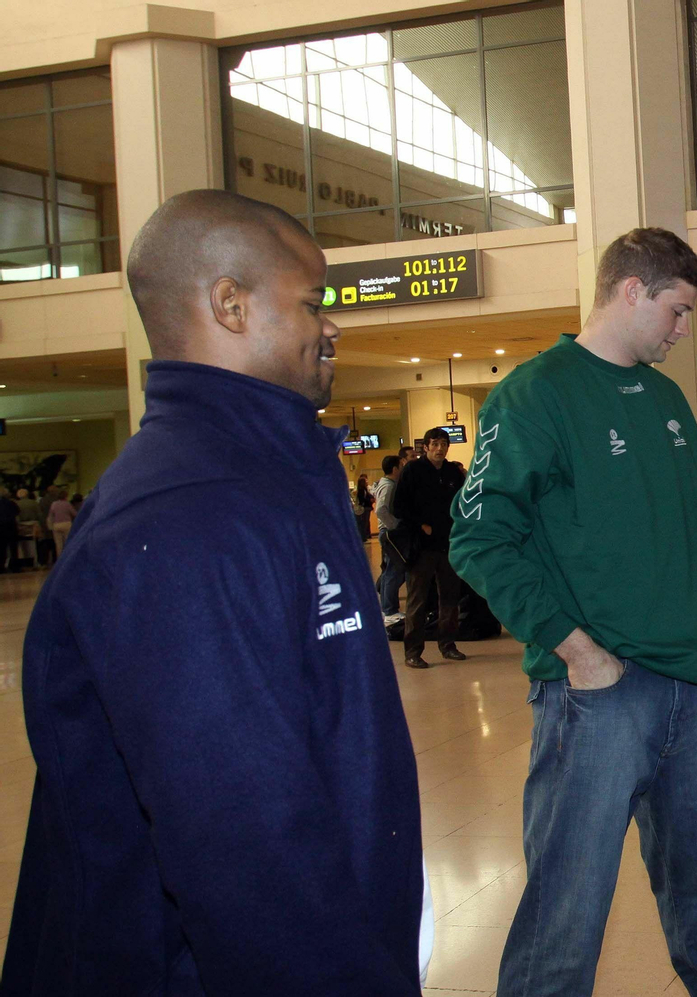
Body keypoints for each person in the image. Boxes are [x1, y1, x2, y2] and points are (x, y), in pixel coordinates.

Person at [0, 189, 426, 995]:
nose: (331, 324)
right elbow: (241, 834)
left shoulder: (273, 476)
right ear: (229, 304)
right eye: (311, 303)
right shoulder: (185, 515)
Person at [448, 227, 697, 997]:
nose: (681, 330)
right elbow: (479, 538)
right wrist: (576, 650)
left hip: (688, 685)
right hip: (598, 692)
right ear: (631, 290)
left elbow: (674, 514)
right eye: (676, 311)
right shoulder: (537, 393)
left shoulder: (666, 397)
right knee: (569, 897)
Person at [392, 427, 468, 669]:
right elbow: (398, 507)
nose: (439, 448)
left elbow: (463, 503)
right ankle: (413, 651)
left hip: (448, 544)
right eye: (434, 444)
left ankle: (448, 644)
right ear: (425, 447)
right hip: (422, 547)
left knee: (450, 598)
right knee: (418, 599)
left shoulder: (452, 473)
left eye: (444, 444)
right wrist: (420, 525)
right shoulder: (413, 471)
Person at [372, 454, 405, 619]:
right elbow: (381, 509)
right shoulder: (388, 486)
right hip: (390, 533)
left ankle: (387, 607)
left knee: (389, 571)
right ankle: (390, 609)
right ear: (395, 469)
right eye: (401, 465)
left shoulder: (387, 484)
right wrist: (395, 525)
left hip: (387, 532)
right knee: (395, 570)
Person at [46, 489, 75, 554]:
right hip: (66, 524)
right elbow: (74, 513)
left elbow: (51, 515)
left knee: (58, 544)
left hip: (56, 525)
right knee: (68, 542)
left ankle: (59, 559)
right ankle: (67, 557)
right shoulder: (67, 504)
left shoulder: (54, 504)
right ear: (66, 496)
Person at [0, 489, 17, 573]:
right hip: (11, 526)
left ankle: (1, 567)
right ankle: (15, 566)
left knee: (2, 548)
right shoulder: (11, 503)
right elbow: (17, 511)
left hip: (1, 528)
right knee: (13, 548)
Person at [354, 473, 374, 541]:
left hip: (365, 508)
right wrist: (370, 500)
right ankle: (363, 536)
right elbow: (363, 499)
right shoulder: (361, 490)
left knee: (364, 523)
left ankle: (365, 535)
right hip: (364, 508)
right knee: (363, 523)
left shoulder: (364, 490)